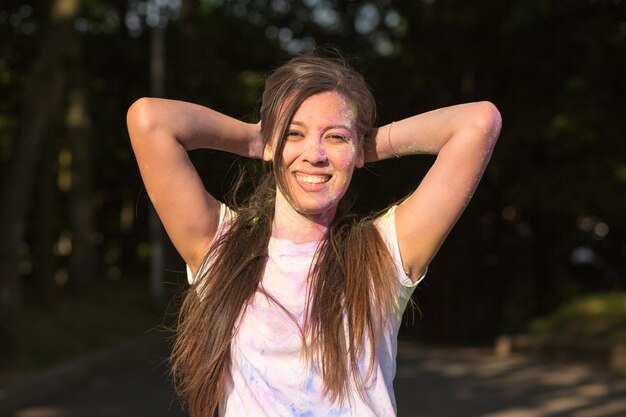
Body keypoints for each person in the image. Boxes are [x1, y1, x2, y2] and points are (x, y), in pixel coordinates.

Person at [127, 52, 501, 417]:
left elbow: (479, 122)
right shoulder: (220, 246)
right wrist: (260, 142)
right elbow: (150, 120)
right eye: (295, 133)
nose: (315, 154)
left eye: (334, 138)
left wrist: (360, 144)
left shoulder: (386, 251)